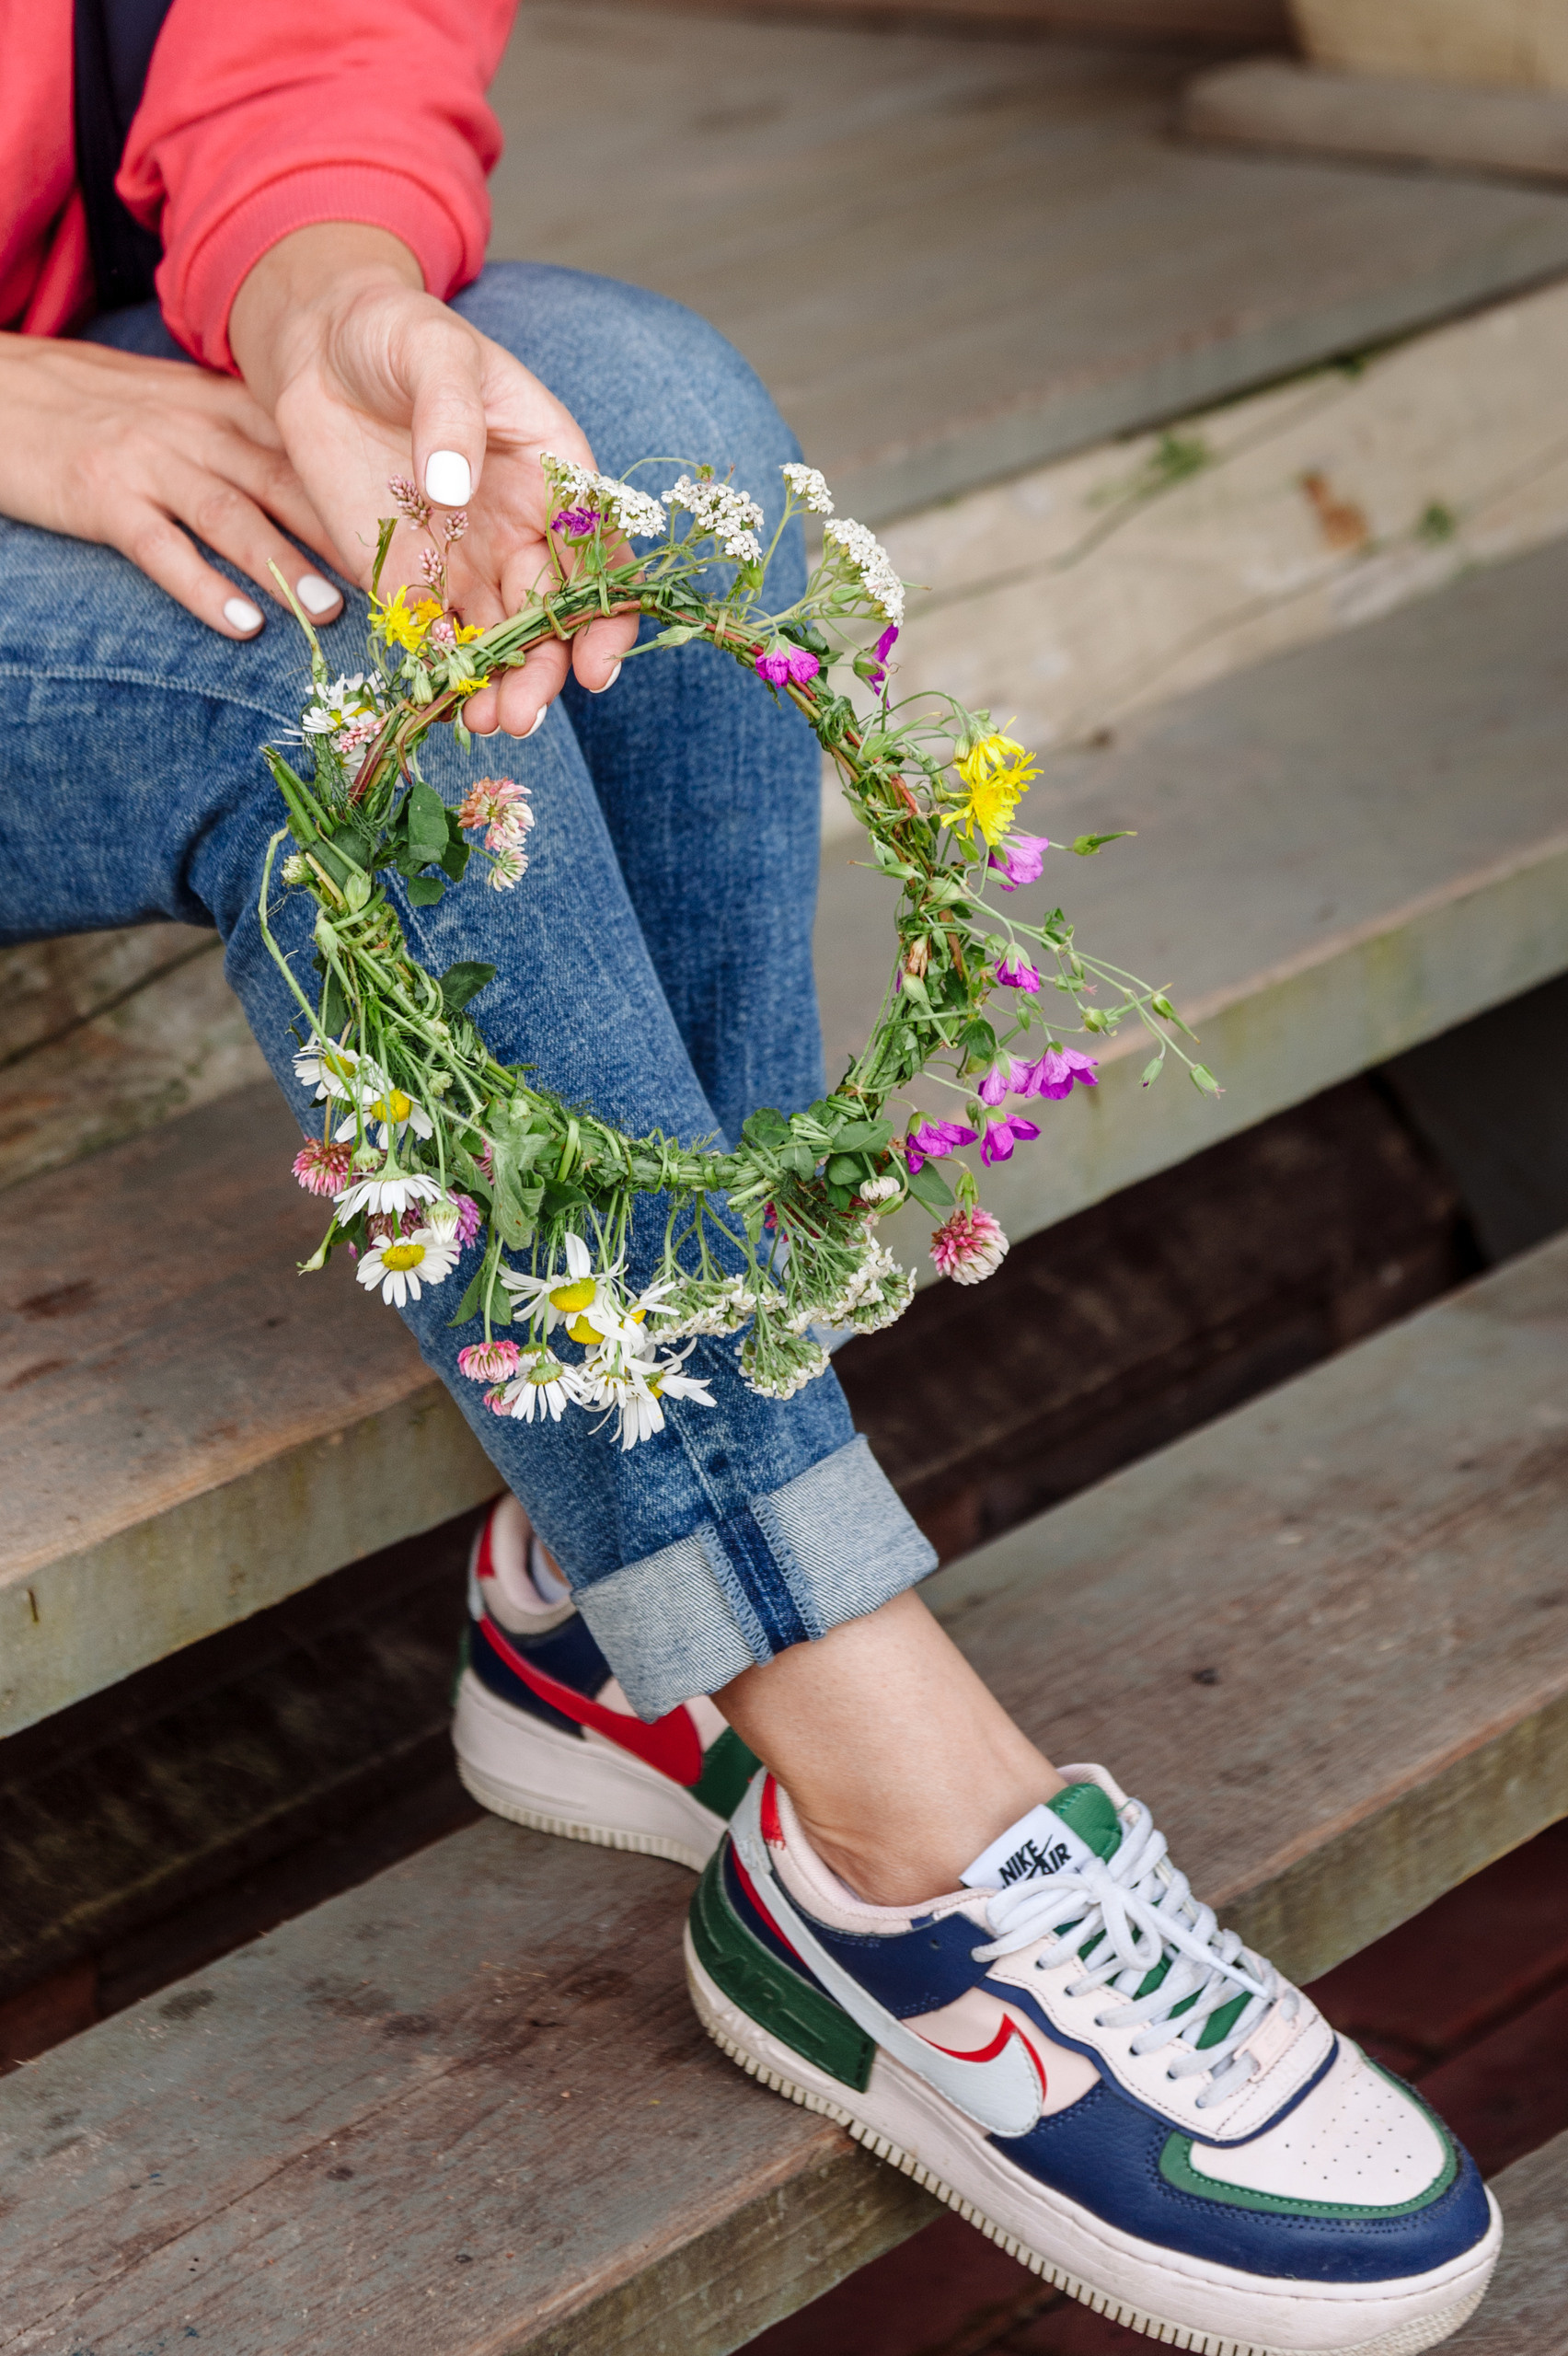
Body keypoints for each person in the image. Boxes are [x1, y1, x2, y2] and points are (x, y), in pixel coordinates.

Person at [0, 5, 1498, 2345]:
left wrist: (329, 304)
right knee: (331, 698)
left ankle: (623, 1595)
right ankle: (881, 1817)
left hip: (96, 336)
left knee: (641, 442)